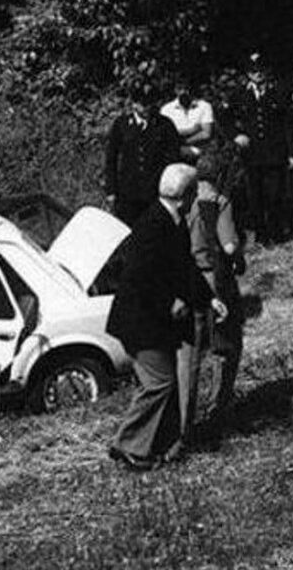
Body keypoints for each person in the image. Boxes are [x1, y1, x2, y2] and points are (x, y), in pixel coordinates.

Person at [106, 163, 227, 470]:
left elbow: (185, 267)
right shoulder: (152, 226)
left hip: (153, 321)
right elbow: (137, 278)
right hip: (139, 321)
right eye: (194, 192)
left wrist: (209, 299)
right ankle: (128, 445)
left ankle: (158, 445)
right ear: (185, 195)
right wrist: (169, 301)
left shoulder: (173, 222)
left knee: (165, 383)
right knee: (159, 383)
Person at [183, 153, 246, 439]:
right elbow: (230, 246)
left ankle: (186, 422)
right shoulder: (220, 203)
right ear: (221, 177)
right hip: (216, 279)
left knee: (192, 354)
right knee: (226, 347)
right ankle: (217, 412)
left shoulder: (187, 204)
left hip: (191, 280)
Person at [228, 54, 293, 244]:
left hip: (275, 152)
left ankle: (276, 230)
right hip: (252, 154)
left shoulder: (278, 92)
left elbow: (287, 124)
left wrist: (291, 152)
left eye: (260, 70)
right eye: (253, 71)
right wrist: (236, 135)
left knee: (274, 194)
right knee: (254, 195)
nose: (257, 74)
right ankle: (261, 233)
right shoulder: (240, 94)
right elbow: (225, 118)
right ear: (248, 73)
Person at [103, 92, 182, 224]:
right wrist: (111, 190)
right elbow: (111, 158)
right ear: (134, 104)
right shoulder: (121, 124)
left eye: (149, 104)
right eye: (142, 104)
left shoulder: (164, 125)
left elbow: (173, 158)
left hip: (155, 191)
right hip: (127, 192)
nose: (146, 108)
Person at [160, 77, 216, 162]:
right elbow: (165, 135)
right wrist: (193, 129)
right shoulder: (166, 110)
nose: (183, 92)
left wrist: (183, 140)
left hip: (201, 151)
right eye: (179, 89)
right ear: (175, 90)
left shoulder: (204, 106)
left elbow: (206, 133)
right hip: (175, 153)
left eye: (186, 88)